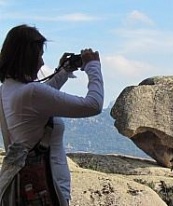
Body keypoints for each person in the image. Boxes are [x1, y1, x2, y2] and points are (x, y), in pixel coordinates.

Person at [0, 24, 104, 205]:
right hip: (48, 189)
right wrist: (93, 66)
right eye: (39, 55)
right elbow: (93, 105)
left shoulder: (7, 90)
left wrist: (64, 71)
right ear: (27, 57)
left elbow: (41, 97)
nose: (41, 63)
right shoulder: (31, 93)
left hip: (25, 187)